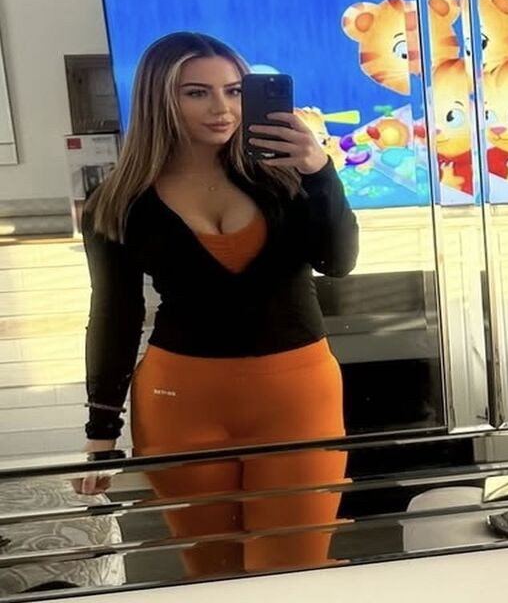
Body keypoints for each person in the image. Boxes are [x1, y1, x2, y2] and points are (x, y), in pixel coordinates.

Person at [72, 32, 358, 578]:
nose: (222, 108)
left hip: (298, 398)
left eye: (233, 90)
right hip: (180, 402)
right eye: (197, 93)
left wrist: (321, 171)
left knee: (294, 571)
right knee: (213, 574)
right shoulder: (119, 201)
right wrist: (101, 430)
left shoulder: (286, 175)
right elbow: (114, 315)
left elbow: (338, 261)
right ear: (160, 99)